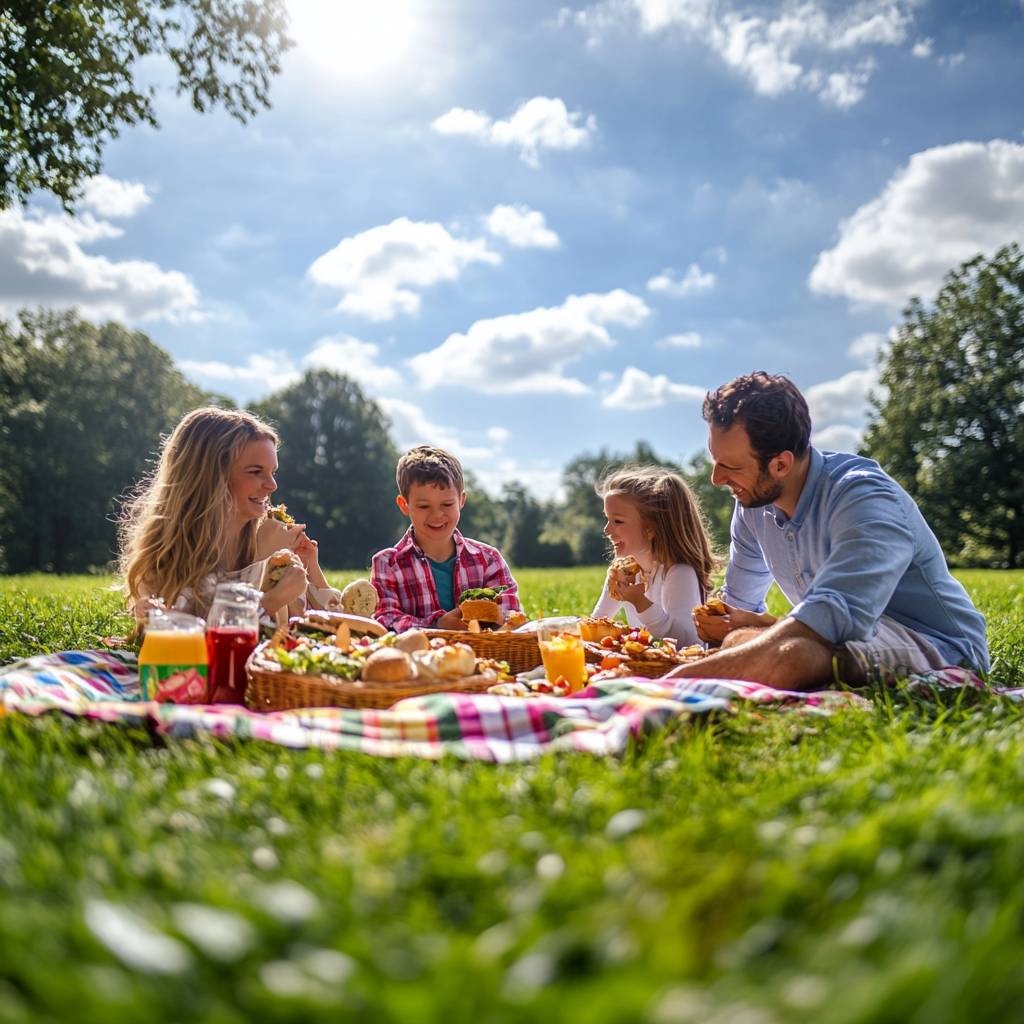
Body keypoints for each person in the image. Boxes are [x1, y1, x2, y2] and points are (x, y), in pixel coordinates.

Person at [668, 372, 989, 690]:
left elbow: (835, 614)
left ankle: (764, 665)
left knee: (793, 658)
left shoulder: (864, 497)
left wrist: (680, 680)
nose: (716, 479)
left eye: (732, 467)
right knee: (741, 640)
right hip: (835, 636)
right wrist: (720, 631)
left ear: (781, 464)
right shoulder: (754, 506)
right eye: (715, 459)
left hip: (934, 643)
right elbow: (737, 608)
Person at [119, 407, 341, 623]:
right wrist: (265, 575)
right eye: (256, 472)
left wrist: (311, 568)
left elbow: (324, 626)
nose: (272, 485)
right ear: (211, 478)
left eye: (272, 472)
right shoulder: (172, 557)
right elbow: (200, 639)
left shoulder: (268, 538)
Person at [371, 445, 522, 633]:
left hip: (484, 658)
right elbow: (385, 619)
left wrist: (494, 618)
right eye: (424, 506)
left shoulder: (489, 559)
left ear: (461, 500)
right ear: (404, 505)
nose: (437, 515)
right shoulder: (388, 564)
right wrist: (437, 624)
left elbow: (512, 616)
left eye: (447, 504)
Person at [591, 466, 716, 647]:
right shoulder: (623, 572)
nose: (607, 530)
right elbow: (596, 623)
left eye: (617, 521)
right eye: (607, 519)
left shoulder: (679, 573)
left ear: (649, 529)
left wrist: (640, 602)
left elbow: (688, 643)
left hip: (680, 672)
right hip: (646, 669)